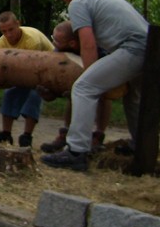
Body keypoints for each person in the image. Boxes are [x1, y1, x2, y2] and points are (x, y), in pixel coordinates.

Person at [41, 0, 147, 171]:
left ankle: (76, 152)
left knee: (83, 87)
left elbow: (87, 44)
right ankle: (140, 145)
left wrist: (89, 76)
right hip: (148, 47)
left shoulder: (78, 2)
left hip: (133, 48)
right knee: (133, 97)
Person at [40, 21, 123, 154]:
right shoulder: (60, 50)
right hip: (77, 77)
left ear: (72, 43)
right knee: (72, 94)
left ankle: (97, 136)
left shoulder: (99, 51)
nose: (54, 43)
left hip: (101, 67)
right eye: (53, 38)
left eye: (57, 40)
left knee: (105, 95)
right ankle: (66, 133)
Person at [0, 11, 53, 147]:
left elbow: (33, 73)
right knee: (10, 93)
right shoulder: (0, 44)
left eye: (11, 29)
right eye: (4, 31)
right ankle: (6, 134)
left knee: (34, 95)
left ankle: (27, 136)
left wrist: (8, 80)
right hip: (22, 72)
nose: (9, 35)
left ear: (18, 24)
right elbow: (1, 69)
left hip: (45, 70)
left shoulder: (31, 41)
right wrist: (0, 81)